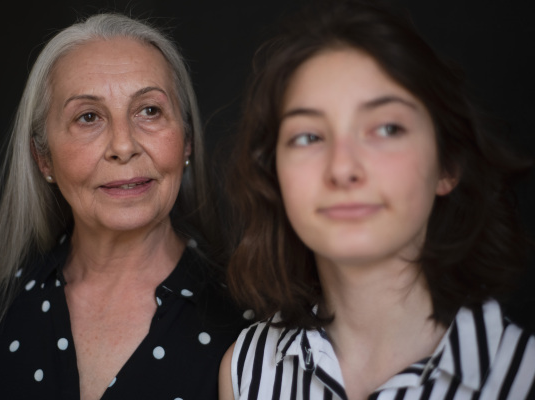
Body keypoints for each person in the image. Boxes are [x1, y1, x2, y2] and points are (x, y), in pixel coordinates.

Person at [218, 1, 535, 399]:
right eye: (308, 137)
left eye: (386, 129)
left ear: (448, 165)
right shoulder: (245, 371)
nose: (343, 168)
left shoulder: (524, 377)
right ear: (275, 176)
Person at [0, 13, 248, 400]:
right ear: (43, 158)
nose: (123, 145)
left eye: (149, 110)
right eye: (88, 117)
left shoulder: (253, 326)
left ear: (186, 141)